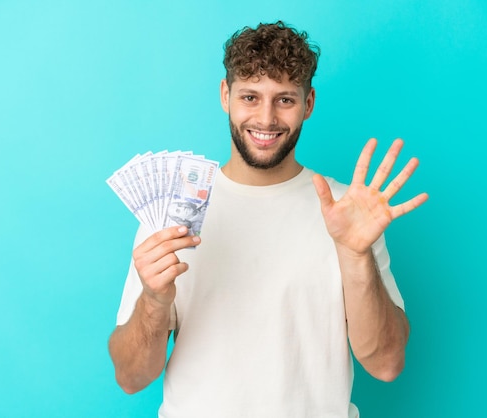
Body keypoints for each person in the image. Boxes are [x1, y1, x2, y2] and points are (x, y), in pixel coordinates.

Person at [108, 21, 428, 418]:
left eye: (285, 100)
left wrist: (355, 255)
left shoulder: (350, 211)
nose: (265, 118)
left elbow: (386, 364)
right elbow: (130, 378)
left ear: (309, 103)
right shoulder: (171, 214)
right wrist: (155, 300)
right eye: (249, 96)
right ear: (226, 96)